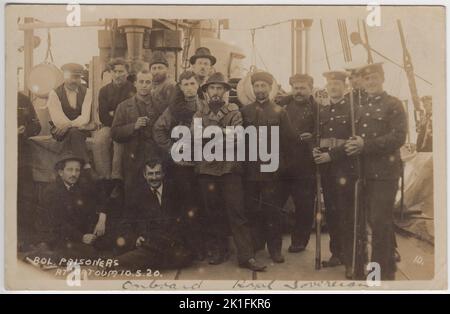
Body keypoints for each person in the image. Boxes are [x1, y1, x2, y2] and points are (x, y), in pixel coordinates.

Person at [188, 72, 266, 270]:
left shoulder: (234, 111)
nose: (216, 92)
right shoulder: (199, 114)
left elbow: (238, 137)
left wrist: (212, 134)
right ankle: (219, 250)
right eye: (212, 88)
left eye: (219, 88)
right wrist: (223, 133)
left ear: (225, 92)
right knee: (212, 212)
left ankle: (246, 256)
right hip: (206, 169)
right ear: (206, 92)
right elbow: (195, 138)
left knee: (237, 212)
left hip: (230, 169)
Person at [344, 63, 407, 280]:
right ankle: (384, 269)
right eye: (366, 79)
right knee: (367, 222)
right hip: (364, 174)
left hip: (386, 174)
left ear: (382, 79)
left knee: (380, 222)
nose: (370, 82)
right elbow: (357, 139)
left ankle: (378, 276)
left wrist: (365, 145)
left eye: (374, 78)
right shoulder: (360, 108)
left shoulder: (394, 104)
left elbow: (398, 137)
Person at [241, 71, 295, 263]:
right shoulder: (245, 111)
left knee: (273, 211)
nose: (260, 89)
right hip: (251, 172)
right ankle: (256, 246)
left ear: (270, 89)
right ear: (253, 88)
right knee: (252, 210)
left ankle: (275, 249)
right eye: (257, 86)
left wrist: (281, 167)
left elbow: (289, 143)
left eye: (264, 86)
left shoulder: (280, 112)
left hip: (273, 173)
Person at [153, 70, 205, 260]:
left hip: (202, 164)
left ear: (198, 85)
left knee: (202, 205)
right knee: (185, 205)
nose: (189, 88)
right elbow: (158, 130)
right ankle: (187, 247)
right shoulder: (173, 109)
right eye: (185, 84)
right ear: (180, 87)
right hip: (181, 166)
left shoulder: (205, 106)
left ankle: (201, 245)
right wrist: (173, 149)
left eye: (192, 84)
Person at [115, 159, 193, 271]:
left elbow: (185, 220)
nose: (154, 177)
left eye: (157, 173)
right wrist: (135, 239)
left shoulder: (175, 191)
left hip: (172, 244)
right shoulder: (136, 195)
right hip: (149, 243)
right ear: (145, 175)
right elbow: (126, 223)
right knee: (149, 252)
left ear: (163, 174)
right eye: (150, 174)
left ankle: (145, 261)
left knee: (181, 256)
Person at [313, 71, 357, 269]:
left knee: (346, 214)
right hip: (327, 170)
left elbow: (353, 142)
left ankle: (350, 259)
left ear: (345, 87)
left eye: (338, 84)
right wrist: (316, 149)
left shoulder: (353, 110)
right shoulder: (322, 111)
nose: (334, 87)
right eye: (330, 84)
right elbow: (319, 137)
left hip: (345, 169)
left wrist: (331, 154)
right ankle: (336, 254)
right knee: (331, 212)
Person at [32, 152, 108, 263]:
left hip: (74, 232)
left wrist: (102, 218)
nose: (74, 174)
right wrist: (81, 237)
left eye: (77, 170)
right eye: (70, 170)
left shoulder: (79, 186)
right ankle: (43, 253)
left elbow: (100, 199)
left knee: (102, 245)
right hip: (54, 233)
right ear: (61, 172)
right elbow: (58, 223)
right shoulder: (52, 192)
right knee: (90, 254)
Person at [111, 70, 165, 209]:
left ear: (152, 84)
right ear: (135, 84)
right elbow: (115, 133)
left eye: (148, 82)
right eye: (141, 82)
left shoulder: (160, 105)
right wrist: (133, 126)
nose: (144, 85)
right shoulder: (123, 106)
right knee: (133, 195)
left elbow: (167, 128)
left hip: (155, 154)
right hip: (133, 156)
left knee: (157, 193)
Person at [278, 74, 317, 253]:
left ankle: (299, 241)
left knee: (305, 205)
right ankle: (269, 240)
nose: (298, 92)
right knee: (274, 202)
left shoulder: (318, 109)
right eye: (295, 88)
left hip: (305, 164)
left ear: (310, 89)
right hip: (283, 163)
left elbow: (323, 130)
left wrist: (313, 137)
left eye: (302, 88)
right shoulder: (282, 105)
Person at [46, 63, 96, 178]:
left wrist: (70, 126)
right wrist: (72, 125)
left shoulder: (87, 92)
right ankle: (86, 165)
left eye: (77, 77)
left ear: (80, 78)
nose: (73, 81)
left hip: (80, 130)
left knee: (74, 133)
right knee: (74, 133)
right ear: (64, 77)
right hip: (59, 131)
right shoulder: (54, 93)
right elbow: (58, 120)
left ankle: (64, 172)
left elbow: (85, 118)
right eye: (70, 77)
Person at [94, 58, 136, 196]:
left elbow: (132, 114)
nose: (118, 75)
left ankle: (116, 179)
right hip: (108, 126)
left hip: (126, 126)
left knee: (119, 140)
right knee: (99, 139)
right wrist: (118, 115)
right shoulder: (104, 91)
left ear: (127, 72)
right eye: (115, 71)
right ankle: (104, 178)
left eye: (121, 71)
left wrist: (115, 114)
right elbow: (103, 116)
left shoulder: (132, 88)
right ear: (111, 73)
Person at [17, 92, 41, 249]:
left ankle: (25, 240)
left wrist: (25, 129)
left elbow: (36, 126)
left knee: (26, 198)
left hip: (22, 159)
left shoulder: (23, 99)